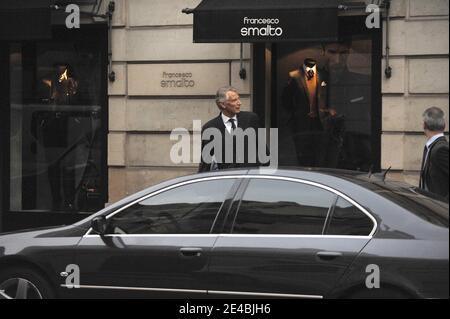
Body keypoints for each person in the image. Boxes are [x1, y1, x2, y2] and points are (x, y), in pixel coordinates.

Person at [198, 86, 262, 172]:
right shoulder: (209, 128)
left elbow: (262, 150)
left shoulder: (250, 119)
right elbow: (206, 163)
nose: (239, 103)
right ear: (222, 104)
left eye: (238, 99)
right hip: (227, 180)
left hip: (251, 177)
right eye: (234, 100)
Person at [419, 107, 449, 200]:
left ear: (424, 125)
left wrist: (444, 204)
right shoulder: (431, 146)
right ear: (444, 125)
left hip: (439, 209)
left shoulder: (441, 149)